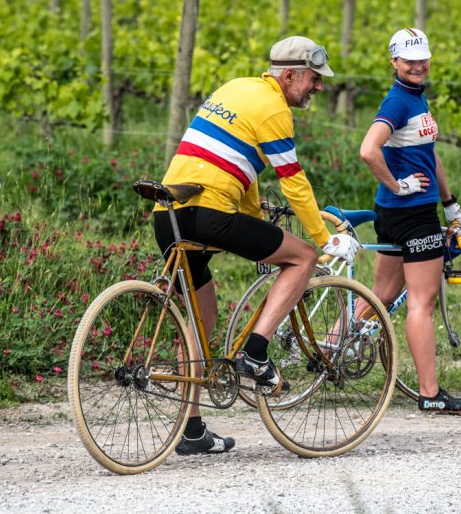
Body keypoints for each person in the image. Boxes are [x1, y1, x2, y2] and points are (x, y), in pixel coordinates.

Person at [153, 36, 360, 454]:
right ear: (290, 76)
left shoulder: (236, 89)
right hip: (209, 214)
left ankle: (190, 429)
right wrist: (324, 238)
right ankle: (256, 353)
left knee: (203, 313)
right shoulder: (275, 110)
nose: (319, 87)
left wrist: (255, 216)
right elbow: (294, 181)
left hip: (168, 215)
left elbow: (240, 170)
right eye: (314, 79)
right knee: (303, 257)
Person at [358, 28, 461, 414]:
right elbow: (368, 150)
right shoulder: (398, 102)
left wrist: (450, 202)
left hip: (396, 212)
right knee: (421, 304)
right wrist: (398, 184)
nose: (417, 65)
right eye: (409, 60)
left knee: (381, 296)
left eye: (422, 58)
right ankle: (430, 393)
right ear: (394, 61)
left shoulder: (416, 97)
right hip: (411, 214)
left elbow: (429, 154)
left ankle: (329, 351)